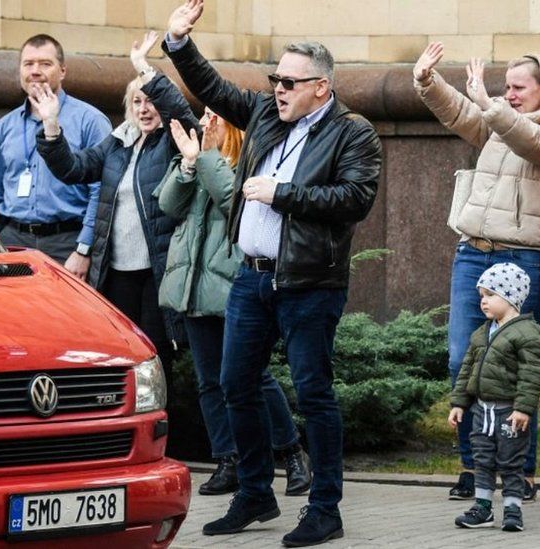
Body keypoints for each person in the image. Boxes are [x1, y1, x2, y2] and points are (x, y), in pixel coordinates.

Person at [163, 1, 382, 545]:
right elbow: (214, 90)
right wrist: (179, 43)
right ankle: (256, 493)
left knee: (313, 394)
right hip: (251, 278)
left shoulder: (353, 133)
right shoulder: (264, 113)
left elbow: (355, 198)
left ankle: (325, 508)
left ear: (320, 88)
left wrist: (283, 194)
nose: (278, 89)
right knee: (236, 384)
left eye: (289, 81)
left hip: (308, 283)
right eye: (275, 79)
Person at [413, 41, 540, 502]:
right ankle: (474, 468)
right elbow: (461, 113)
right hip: (474, 254)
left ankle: (520, 471)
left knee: (514, 369)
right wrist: (428, 81)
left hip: (523, 260)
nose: (509, 94)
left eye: (518, 87)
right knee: (463, 363)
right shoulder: (496, 122)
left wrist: (491, 106)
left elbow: (534, 143)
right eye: (505, 87)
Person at [158, 110, 312, 497]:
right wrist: (190, 164)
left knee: (252, 376)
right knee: (209, 382)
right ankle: (228, 459)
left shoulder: (250, 165)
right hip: (193, 283)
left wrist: (207, 160)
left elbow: (233, 202)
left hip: (231, 285)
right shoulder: (195, 156)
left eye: (217, 115)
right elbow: (168, 205)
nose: (207, 121)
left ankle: (291, 451)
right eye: (204, 114)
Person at [33, 31, 200, 375]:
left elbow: (181, 114)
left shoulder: (173, 141)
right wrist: (51, 125)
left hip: (156, 271)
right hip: (117, 272)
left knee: (154, 357)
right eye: (137, 102)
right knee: (123, 354)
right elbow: (72, 168)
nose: (144, 109)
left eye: (150, 101)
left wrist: (143, 67)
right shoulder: (117, 143)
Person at [0, 34, 111, 280]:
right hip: (12, 240)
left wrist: (84, 249)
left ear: (62, 71)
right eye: (28, 64)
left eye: (45, 64)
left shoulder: (90, 121)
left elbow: (102, 191)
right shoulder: (6, 125)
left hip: (67, 242)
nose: (35, 71)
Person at [448, 262, 540, 532]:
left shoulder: (528, 333)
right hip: (482, 412)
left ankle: (512, 509)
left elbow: (533, 374)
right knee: (481, 459)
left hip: (509, 414)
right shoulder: (481, 333)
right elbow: (467, 370)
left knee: (510, 462)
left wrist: (523, 408)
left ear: (510, 297)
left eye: (490, 295)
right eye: (482, 296)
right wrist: (459, 403)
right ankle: (483, 508)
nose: (483, 302)